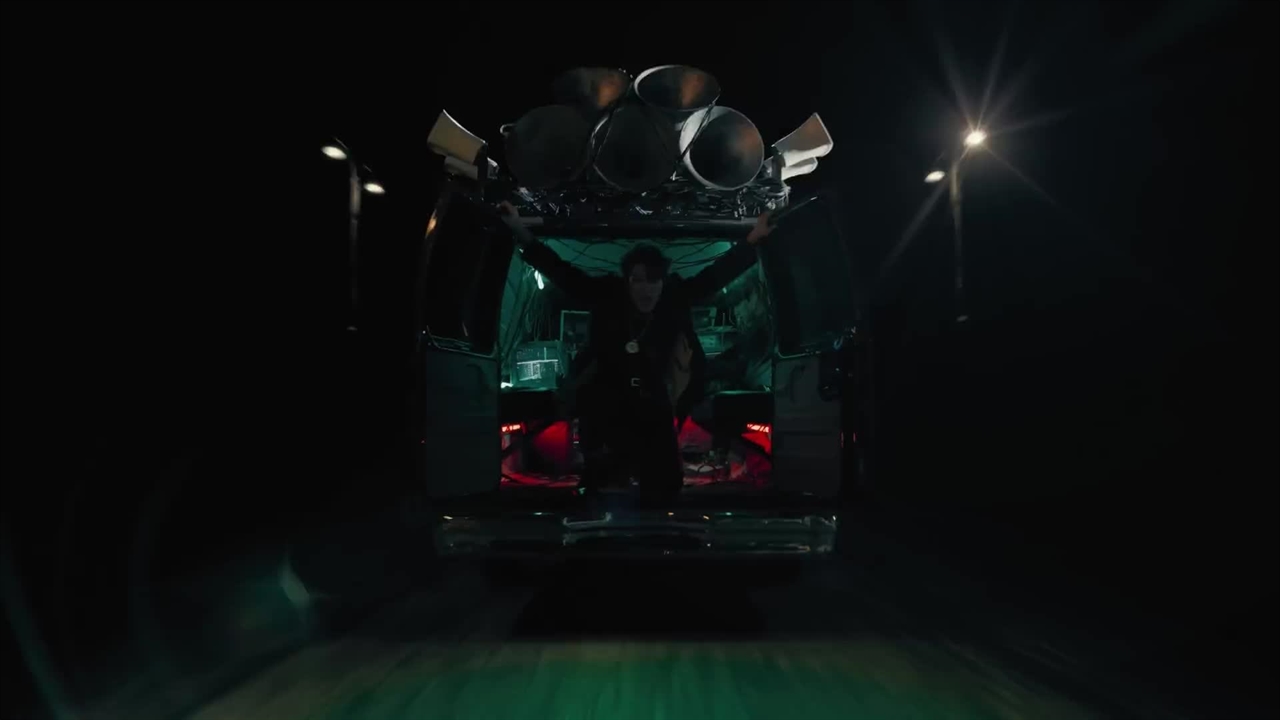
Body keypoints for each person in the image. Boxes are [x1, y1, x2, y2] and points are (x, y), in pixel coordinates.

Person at [498, 202, 774, 506]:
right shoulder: (608, 296)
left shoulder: (674, 297)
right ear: (627, 280)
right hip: (607, 401)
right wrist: (520, 231)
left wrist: (754, 238)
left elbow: (716, 276)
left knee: (665, 484)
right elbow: (563, 274)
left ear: (663, 282)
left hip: (655, 401)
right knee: (603, 484)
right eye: (638, 280)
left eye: (653, 280)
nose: (646, 289)